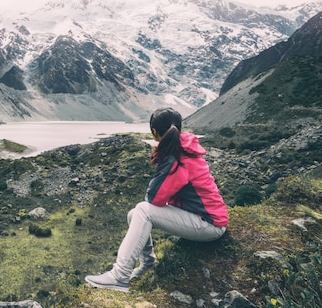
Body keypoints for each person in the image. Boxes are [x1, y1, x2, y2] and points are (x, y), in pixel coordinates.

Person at [85, 107, 229, 292]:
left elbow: (153, 198)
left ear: (154, 132)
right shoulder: (182, 148)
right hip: (204, 218)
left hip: (210, 225)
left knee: (143, 210)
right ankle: (148, 264)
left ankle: (119, 276)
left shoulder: (175, 158)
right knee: (134, 213)